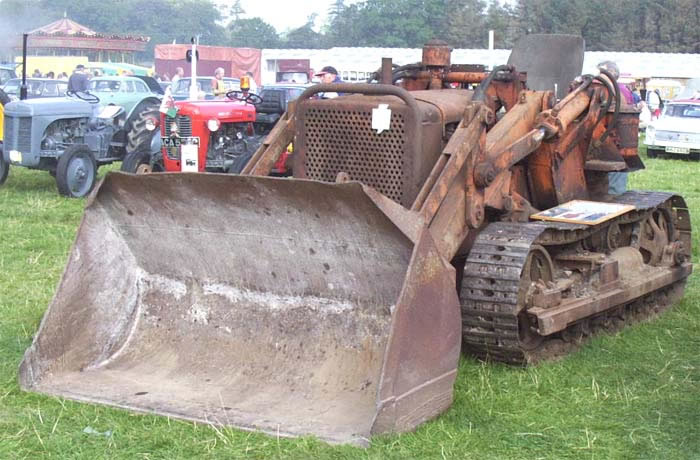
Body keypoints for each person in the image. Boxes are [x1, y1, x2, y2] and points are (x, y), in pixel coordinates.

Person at [597, 61, 633, 195]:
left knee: (614, 179)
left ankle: (614, 200)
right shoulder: (613, 90)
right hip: (602, 139)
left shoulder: (617, 92)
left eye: (601, 74)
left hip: (614, 141)